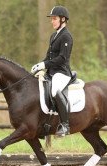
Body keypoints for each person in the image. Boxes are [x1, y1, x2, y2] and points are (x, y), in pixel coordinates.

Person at [31, 6, 73, 137]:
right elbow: (49, 56)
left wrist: (44, 64)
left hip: (62, 73)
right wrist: (40, 65)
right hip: (51, 72)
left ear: (63, 19)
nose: (52, 21)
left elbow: (62, 58)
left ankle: (65, 125)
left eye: (54, 19)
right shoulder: (53, 36)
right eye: (52, 19)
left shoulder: (66, 36)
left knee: (55, 91)